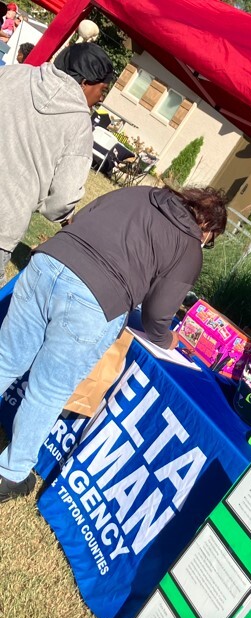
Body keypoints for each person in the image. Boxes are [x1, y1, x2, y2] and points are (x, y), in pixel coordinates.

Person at [0, 184, 227, 502]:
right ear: (208, 228)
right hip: (93, 301)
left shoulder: (139, 192)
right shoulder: (189, 249)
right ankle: (11, 473)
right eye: (210, 241)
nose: (205, 245)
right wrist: (170, 338)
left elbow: (81, 218)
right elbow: (157, 317)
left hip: (47, 264)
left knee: (6, 359)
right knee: (48, 389)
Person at [0, 42, 114, 287]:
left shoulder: (11, 74)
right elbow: (62, 199)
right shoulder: (79, 124)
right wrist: (56, 211)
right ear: (85, 82)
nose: (100, 98)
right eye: (102, 90)